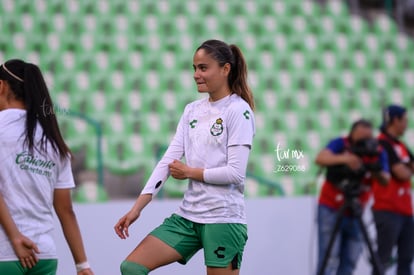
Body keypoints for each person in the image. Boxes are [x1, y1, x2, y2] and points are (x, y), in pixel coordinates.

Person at [114, 39, 255, 275]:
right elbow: (167, 162)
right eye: (194, 68)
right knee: (131, 267)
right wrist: (137, 208)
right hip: (187, 217)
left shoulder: (238, 111)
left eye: (203, 68)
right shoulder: (192, 110)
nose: (196, 74)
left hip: (223, 219)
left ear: (226, 69)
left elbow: (235, 173)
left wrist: (190, 172)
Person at [0, 59, 93, 275]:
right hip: (44, 255)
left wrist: (15, 238)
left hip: (5, 252)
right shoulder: (53, 140)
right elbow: (65, 210)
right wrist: (82, 265)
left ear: (2, 86)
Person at [315, 119, 390, 275]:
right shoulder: (340, 144)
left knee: (350, 261)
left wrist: (372, 169)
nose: (363, 144)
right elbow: (320, 158)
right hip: (331, 208)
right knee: (329, 260)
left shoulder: (376, 151)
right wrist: (346, 159)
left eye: (367, 139)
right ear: (352, 135)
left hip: (357, 210)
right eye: (360, 139)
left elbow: (386, 179)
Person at [372, 105, 414, 275]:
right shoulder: (382, 143)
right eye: (404, 121)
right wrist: (406, 168)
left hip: (405, 209)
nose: (406, 125)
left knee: (406, 258)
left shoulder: (401, 145)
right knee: (383, 258)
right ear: (395, 121)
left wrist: (404, 168)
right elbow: (401, 173)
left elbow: (405, 169)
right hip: (387, 208)